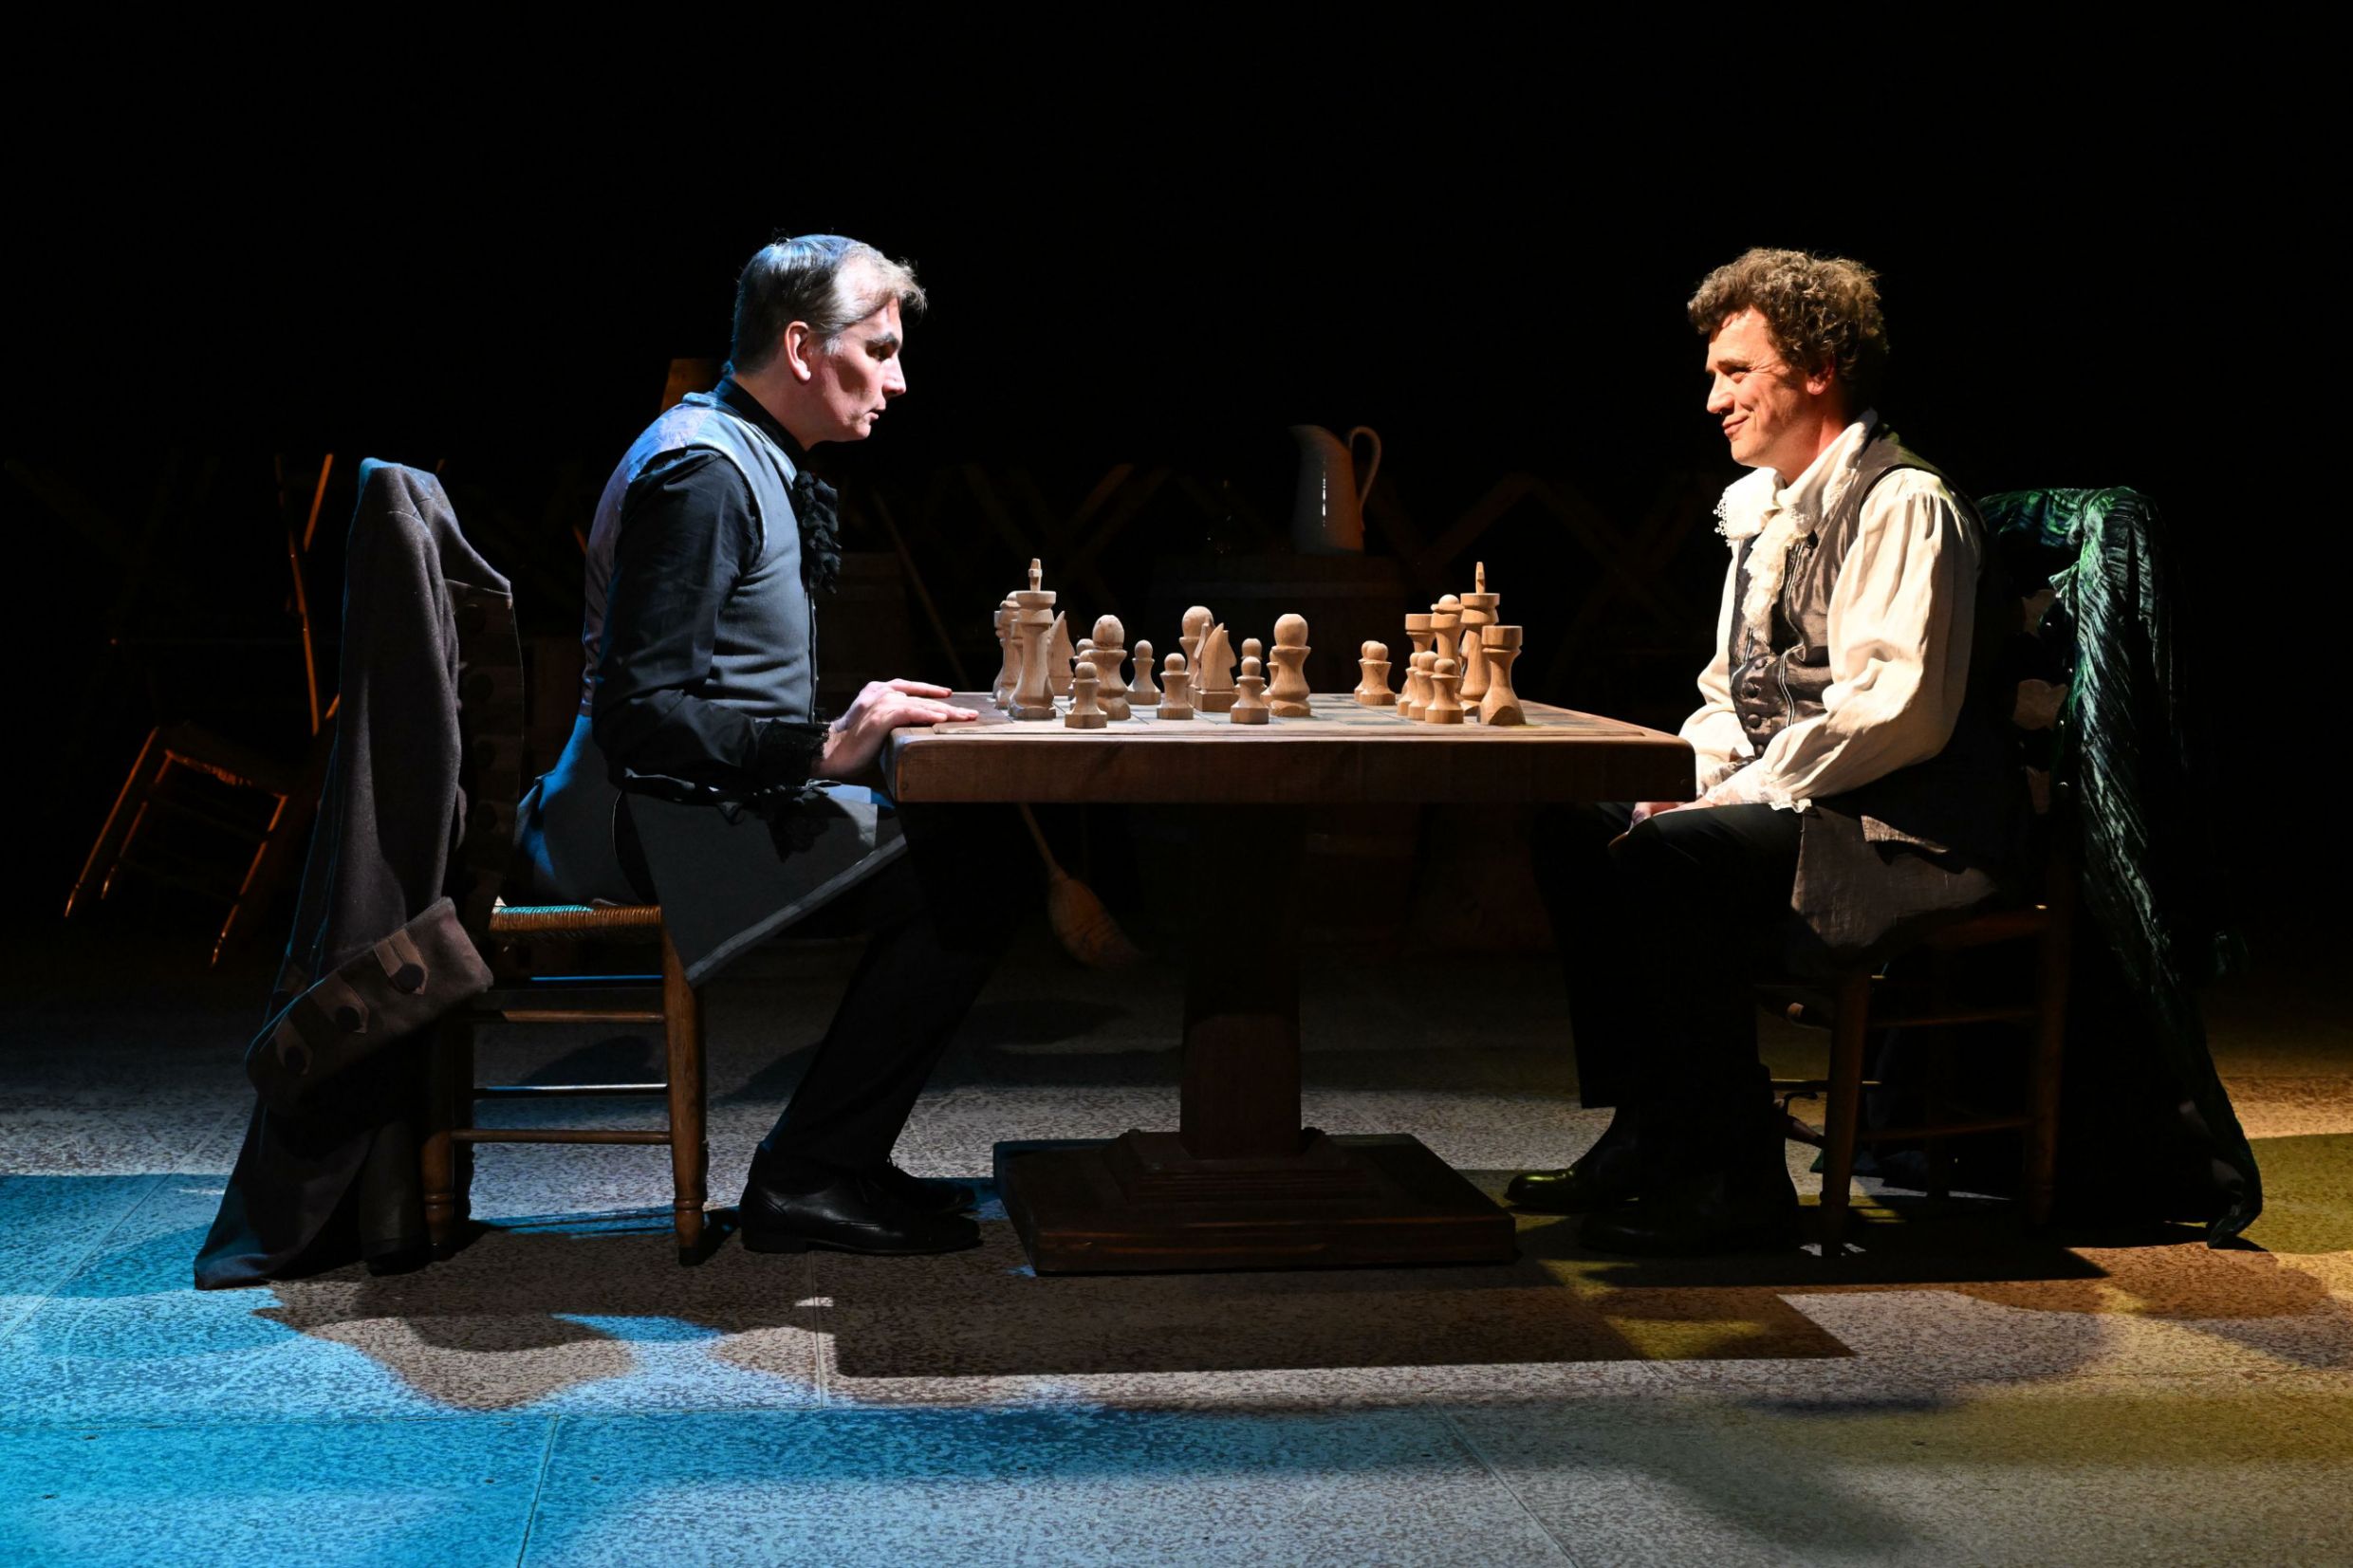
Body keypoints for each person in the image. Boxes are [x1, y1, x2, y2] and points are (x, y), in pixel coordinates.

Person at [518, 234, 1027, 1258]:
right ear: (801, 348)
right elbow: (641, 713)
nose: (897, 380)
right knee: (973, 875)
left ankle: (837, 1159)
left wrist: (848, 724)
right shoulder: (702, 474)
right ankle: (808, 1175)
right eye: (878, 351)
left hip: (692, 798)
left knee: (973, 849)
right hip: (642, 816)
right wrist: (819, 748)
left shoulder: (740, 449)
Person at [1511, 249, 2025, 1255]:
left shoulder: (1901, 504)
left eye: (1737, 372)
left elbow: (1897, 715)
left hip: (1906, 828)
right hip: (1807, 799)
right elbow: (1726, 693)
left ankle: (1736, 1173)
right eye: (1714, 374)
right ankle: (1651, 1129)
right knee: (1578, 820)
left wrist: (1722, 802)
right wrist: (1678, 783)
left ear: (1820, 369)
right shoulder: (1764, 509)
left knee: (1675, 856)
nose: (1714, 400)